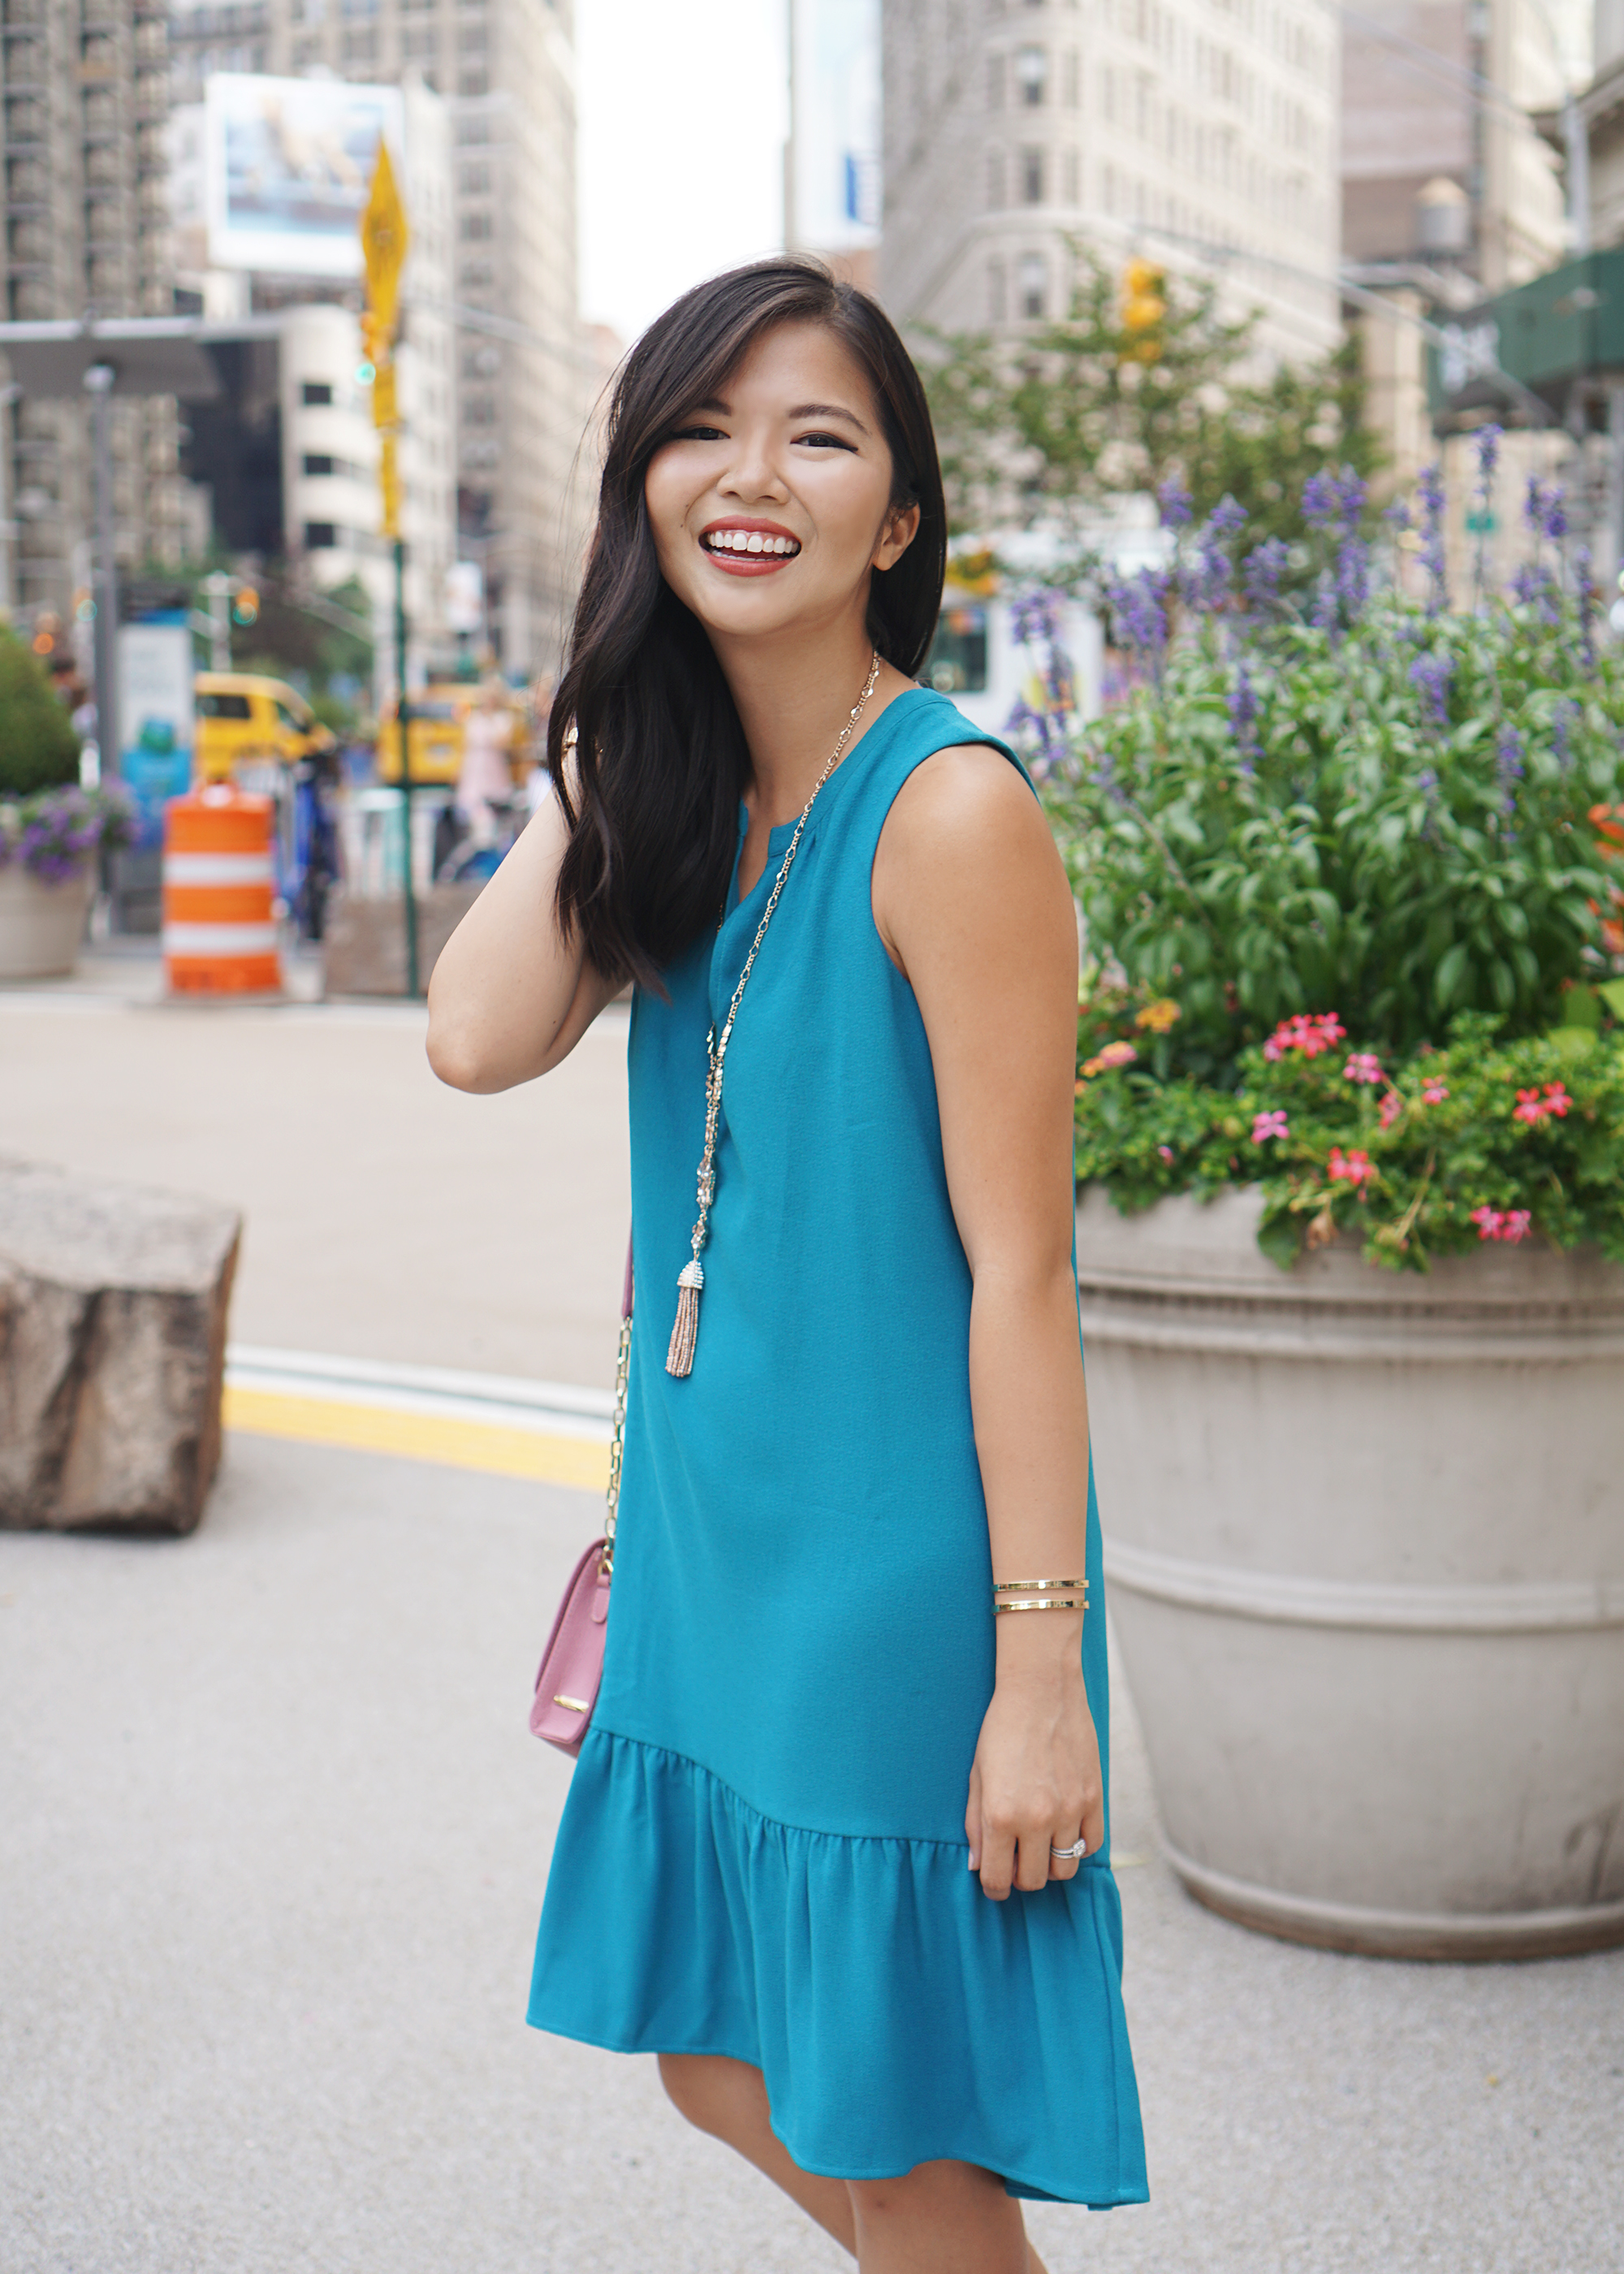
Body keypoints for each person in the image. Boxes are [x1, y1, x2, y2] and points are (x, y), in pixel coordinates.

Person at [425, 258, 1147, 2272]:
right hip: (712, 1551)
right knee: (721, 2062)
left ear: (897, 518)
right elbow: (473, 1036)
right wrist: (603, 718)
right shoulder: (673, 799)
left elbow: (1021, 1277)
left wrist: (1035, 1679)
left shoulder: (948, 817)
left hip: (890, 1588)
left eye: (816, 437)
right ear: (641, 480)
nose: (751, 477)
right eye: (700, 431)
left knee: (884, 2125)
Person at [453, 675, 514, 847]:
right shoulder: (473, 719)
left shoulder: (503, 719)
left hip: (493, 773)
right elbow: (466, 746)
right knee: (474, 814)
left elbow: (502, 742)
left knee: (492, 817)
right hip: (475, 771)